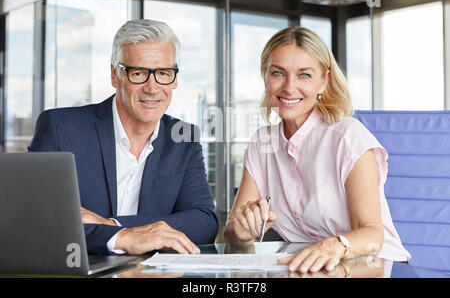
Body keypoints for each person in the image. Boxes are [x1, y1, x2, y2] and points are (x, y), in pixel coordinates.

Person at [223, 26, 411, 273]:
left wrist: (335, 245)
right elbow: (229, 233)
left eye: (304, 75)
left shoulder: (348, 137)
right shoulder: (262, 142)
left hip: (370, 266)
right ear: (265, 77)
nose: (289, 87)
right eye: (278, 73)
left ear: (325, 81)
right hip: (307, 267)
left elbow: (372, 235)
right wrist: (240, 231)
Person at [29, 19, 218, 255]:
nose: (152, 87)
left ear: (175, 78)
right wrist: (120, 240)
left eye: (163, 73)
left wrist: (116, 228)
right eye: (138, 73)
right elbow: (36, 218)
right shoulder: (60, 128)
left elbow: (203, 222)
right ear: (115, 75)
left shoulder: (184, 138)